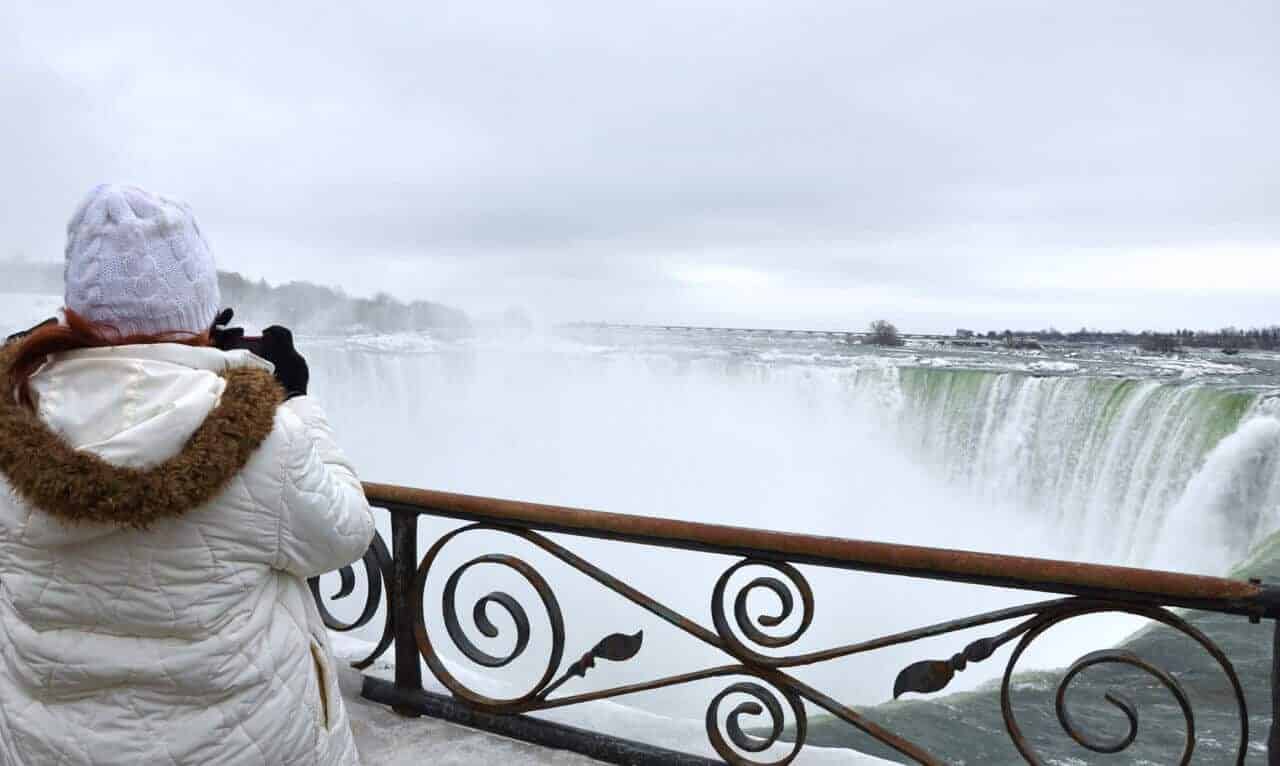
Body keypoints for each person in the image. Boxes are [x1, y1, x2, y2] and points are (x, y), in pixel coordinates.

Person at [0, 185, 376, 765]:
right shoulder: (261, 438)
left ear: (76, 307)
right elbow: (346, 533)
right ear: (200, 311)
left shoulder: (14, 419)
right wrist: (296, 402)